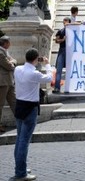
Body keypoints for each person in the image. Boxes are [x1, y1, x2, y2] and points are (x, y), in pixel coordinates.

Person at [12, 48, 52, 180]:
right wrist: (47, 64)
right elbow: (49, 78)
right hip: (30, 108)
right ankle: (21, 173)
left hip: (19, 105)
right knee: (24, 140)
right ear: (36, 59)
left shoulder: (17, 70)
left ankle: (20, 167)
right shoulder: (34, 74)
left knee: (19, 138)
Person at [0, 35, 16, 133]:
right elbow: (9, 65)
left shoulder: (5, 51)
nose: (10, 44)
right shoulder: (1, 53)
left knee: (14, 101)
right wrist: (12, 62)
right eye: (9, 42)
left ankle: (20, 119)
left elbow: (13, 60)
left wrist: (12, 62)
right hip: (3, 82)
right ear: (5, 43)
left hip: (9, 81)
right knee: (0, 104)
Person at [52, 17, 71, 94]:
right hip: (62, 50)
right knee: (59, 70)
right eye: (64, 21)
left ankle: (70, 87)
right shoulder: (60, 31)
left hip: (70, 51)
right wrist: (63, 40)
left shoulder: (73, 31)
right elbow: (56, 40)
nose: (65, 23)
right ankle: (57, 87)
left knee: (70, 70)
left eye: (66, 21)